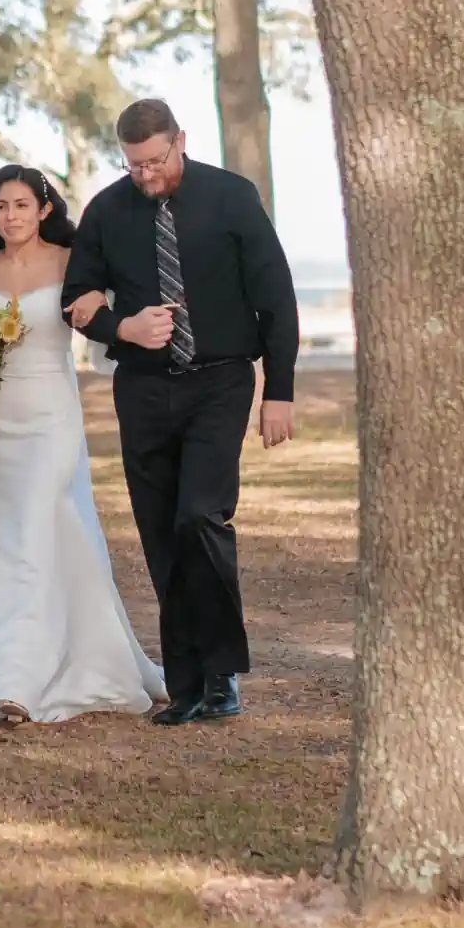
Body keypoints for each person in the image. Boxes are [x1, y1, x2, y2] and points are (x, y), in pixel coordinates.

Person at [61, 100, 298, 726]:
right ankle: (185, 682)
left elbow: (275, 296)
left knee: (201, 517)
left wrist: (281, 390)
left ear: (180, 142)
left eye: (155, 161)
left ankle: (221, 676)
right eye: (134, 164)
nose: (145, 175)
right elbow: (75, 298)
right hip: (141, 390)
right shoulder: (108, 210)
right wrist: (122, 327)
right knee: (161, 532)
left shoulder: (232, 197)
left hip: (220, 382)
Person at [0, 166, 166, 724]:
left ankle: (16, 682)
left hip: (51, 417)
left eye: (20, 205)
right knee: (19, 534)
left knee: (28, 533)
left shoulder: (71, 262)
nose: (9, 216)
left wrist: (129, 325)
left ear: (43, 209)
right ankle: (43, 654)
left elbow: (104, 318)